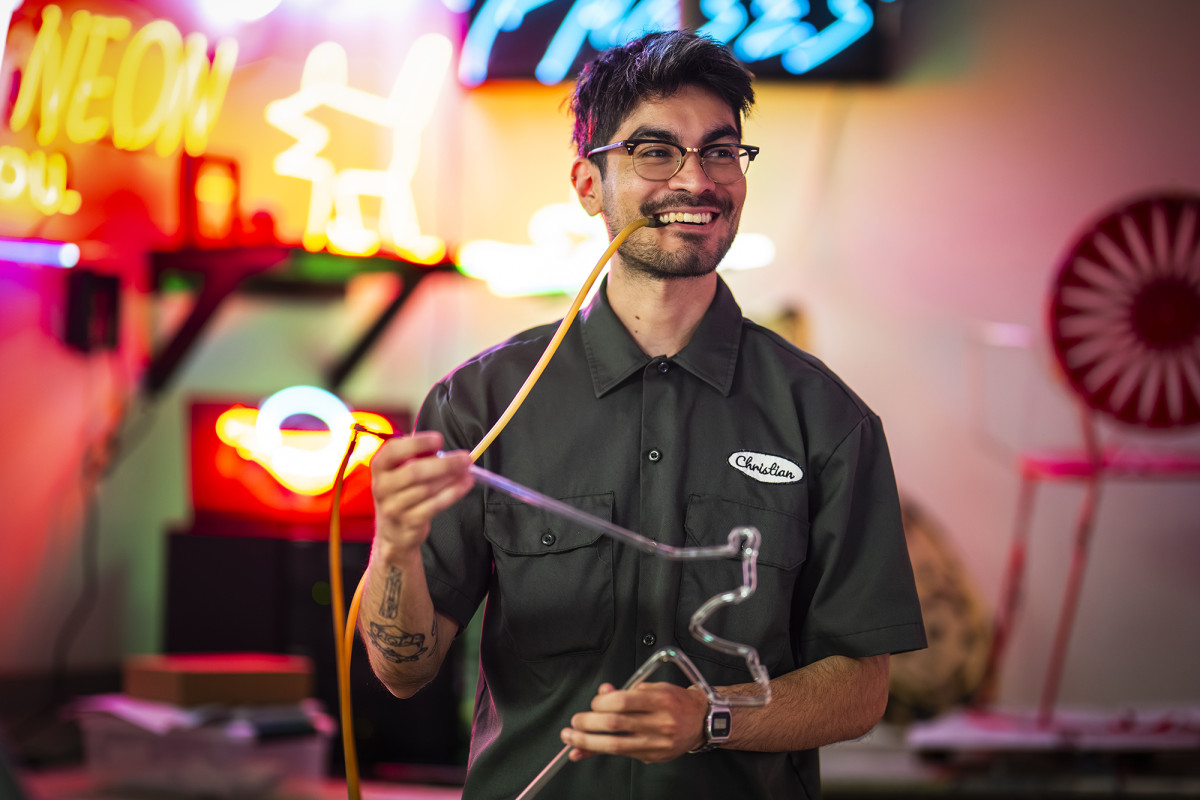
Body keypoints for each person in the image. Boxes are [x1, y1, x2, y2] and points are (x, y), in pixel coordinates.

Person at [362, 30, 926, 799]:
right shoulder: (480, 403)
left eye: (720, 152)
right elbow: (403, 671)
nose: (696, 180)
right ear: (588, 185)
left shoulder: (827, 419)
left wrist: (712, 717)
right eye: (655, 152)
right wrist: (395, 547)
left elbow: (861, 687)